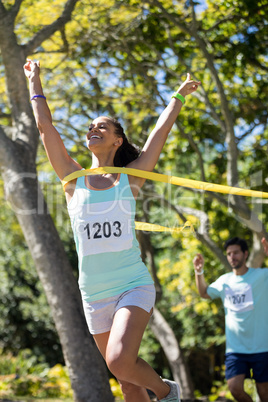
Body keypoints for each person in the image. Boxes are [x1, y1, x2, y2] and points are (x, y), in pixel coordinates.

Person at [24, 58, 201, 402]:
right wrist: (34, 81)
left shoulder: (130, 178)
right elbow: (46, 130)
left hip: (131, 283)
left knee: (120, 360)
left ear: (118, 141)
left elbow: (158, 135)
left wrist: (177, 97)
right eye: (91, 126)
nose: (94, 129)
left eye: (103, 127)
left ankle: (168, 393)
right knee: (127, 382)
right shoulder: (72, 179)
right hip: (93, 294)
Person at [193, 237, 268, 402]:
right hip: (235, 349)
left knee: (264, 393)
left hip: (261, 347)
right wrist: (199, 271)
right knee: (235, 389)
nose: (232, 256)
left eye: (236, 253)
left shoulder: (262, 275)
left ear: (245, 254)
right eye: (229, 254)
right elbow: (204, 293)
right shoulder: (224, 281)